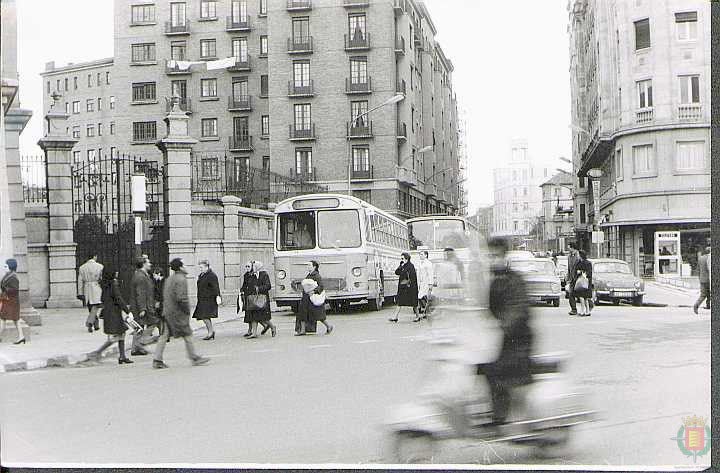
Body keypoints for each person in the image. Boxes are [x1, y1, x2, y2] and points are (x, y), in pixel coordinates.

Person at [477, 237, 533, 430]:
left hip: (518, 340)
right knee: (476, 364)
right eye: (489, 256)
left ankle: (500, 418)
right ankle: (486, 408)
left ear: (504, 256)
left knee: (495, 369)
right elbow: (486, 308)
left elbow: (518, 309)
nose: (492, 260)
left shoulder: (514, 280)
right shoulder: (493, 280)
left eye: (495, 256)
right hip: (502, 339)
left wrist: (503, 325)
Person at [153, 258, 210, 369]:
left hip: (168, 311)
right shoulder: (181, 279)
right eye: (184, 264)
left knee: (164, 335)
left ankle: (157, 359)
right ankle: (194, 357)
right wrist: (186, 310)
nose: (186, 266)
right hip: (177, 313)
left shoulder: (170, 279)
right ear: (180, 267)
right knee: (187, 334)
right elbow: (181, 298)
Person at [87, 264, 133, 364]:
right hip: (114, 312)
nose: (117, 272)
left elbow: (104, 298)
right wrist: (127, 310)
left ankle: (122, 356)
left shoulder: (104, 284)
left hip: (109, 311)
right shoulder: (113, 284)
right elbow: (118, 298)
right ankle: (98, 352)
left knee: (121, 333)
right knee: (118, 335)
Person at [129, 257, 159, 355]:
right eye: (148, 262)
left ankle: (135, 348)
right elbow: (140, 293)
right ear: (143, 264)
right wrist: (143, 308)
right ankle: (140, 343)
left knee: (139, 327)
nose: (150, 264)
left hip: (144, 305)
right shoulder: (140, 276)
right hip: (143, 306)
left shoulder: (142, 275)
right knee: (154, 322)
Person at [296, 261, 333, 335]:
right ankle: (303, 330)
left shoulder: (316, 276)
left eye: (309, 265)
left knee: (317, 315)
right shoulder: (309, 275)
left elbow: (321, 286)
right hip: (306, 297)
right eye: (307, 265)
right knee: (302, 314)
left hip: (312, 298)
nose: (308, 266)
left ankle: (328, 326)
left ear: (314, 267)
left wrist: (314, 291)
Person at [241, 261, 276, 339]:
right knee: (254, 316)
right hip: (253, 298)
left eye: (253, 266)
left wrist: (259, 288)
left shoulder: (264, 274)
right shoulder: (252, 275)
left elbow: (268, 286)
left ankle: (272, 327)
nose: (252, 268)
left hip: (262, 298)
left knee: (263, 317)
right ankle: (254, 333)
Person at [193, 260, 221, 340]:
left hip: (209, 299)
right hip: (202, 299)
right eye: (200, 267)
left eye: (201, 267)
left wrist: (218, 296)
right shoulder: (202, 275)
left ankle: (210, 332)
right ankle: (211, 332)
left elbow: (216, 287)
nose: (200, 269)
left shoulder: (211, 275)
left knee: (205, 316)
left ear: (206, 267)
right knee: (204, 316)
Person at [389, 252, 420, 323]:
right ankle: (395, 317)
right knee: (400, 302)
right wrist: (400, 266)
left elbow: (412, 277)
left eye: (402, 258)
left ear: (407, 258)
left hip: (410, 288)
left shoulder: (411, 266)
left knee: (414, 303)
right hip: (403, 287)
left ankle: (417, 316)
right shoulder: (402, 265)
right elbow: (396, 272)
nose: (402, 260)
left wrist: (408, 283)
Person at [78, 253, 103, 332]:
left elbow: (80, 281)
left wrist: (80, 292)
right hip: (96, 287)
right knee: (95, 306)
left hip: (87, 288)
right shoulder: (100, 266)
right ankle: (90, 322)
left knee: (90, 306)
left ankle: (95, 324)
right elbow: (102, 278)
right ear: (94, 256)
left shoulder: (82, 267)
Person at [0, 259, 24, 344]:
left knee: (3, 319)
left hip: (11, 302)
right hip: (8, 301)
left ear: (11, 266)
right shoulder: (8, 275)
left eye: (6, 266)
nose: (4, 267)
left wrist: (5, 290)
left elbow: (14, 290)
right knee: (15, 320)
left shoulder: (13, 277)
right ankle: (21, 337)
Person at [416, 249, 435, 318]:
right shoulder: (420, 263)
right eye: (420, 254)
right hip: (421, 283)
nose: (420, 256)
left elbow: (430, 274)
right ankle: (426, 312)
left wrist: (430, 283)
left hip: (426, 283)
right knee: (421, 297)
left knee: (422, 297)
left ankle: (427, 312)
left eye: (422, 254)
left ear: (426, 255)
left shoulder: (428, 263)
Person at [574, 250, 593, 317]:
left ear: (581, 255)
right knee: (585, 297)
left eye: (579, 255)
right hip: (585, 282)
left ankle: (583, 311)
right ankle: (587, 311)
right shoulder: (581, 262)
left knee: (582, 297)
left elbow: (588, 272)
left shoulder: (586, 263)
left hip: (583, 282)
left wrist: (581, 272)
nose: (578, 256)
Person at [693, 246, 711, 314]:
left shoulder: (700, 258)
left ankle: (696, 305)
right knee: (710, 293)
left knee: (703, 295)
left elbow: (698, 270)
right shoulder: (710, 259)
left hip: (702, 279)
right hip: (709, 279)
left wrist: (699, 278)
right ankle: (708, 305)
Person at [566, 243, 580, 316]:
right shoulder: (569, 256)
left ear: (573, 248)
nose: (568, 249)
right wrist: (568, 277)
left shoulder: (578, 256)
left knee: (581, 294)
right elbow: (569, 268)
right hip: (572, 278)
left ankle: (589, 305)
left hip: (578, 278)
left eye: (569, 248)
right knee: (571, 294)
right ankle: (574, 309)